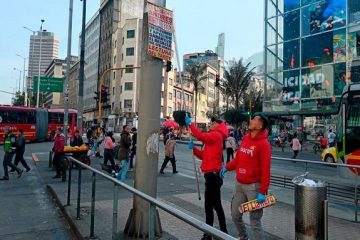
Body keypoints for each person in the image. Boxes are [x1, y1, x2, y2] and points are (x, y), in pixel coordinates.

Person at [220, 115, 271, 240]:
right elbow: (238, 159)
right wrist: (227, 167)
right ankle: (243, 237)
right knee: (235, 215)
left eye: (254, 120)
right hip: (239, 185)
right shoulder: (246, 138)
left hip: (254, 187)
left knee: (255, 221)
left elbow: (266, 170)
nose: (251, 121)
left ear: (259, 126)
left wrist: (263, 192)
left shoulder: (264, 145)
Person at [186, 116, 228, 240]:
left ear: (218, 125)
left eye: (213, 122)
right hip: (210, 176)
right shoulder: (214, 137)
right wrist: (193, 149)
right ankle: (216, 232)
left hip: (213, 176)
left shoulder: (216, 135)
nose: (210, 124)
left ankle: (213, 233)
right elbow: (204, 156)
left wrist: (191, 125)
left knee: (212, 206)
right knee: (213, 206)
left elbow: (201, 136)